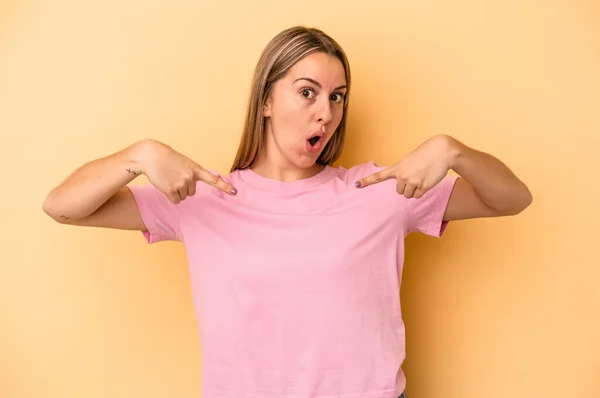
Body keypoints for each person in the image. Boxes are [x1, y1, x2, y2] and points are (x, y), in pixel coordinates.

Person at [42, 26, 532, 398]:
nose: (327, 111)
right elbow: (62, 207)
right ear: (267, 102)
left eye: (337, 97)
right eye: (307, 92)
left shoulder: (380, 190)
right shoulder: (202, 198)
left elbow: (512, 199)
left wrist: (453, 151)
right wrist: (140, 155)